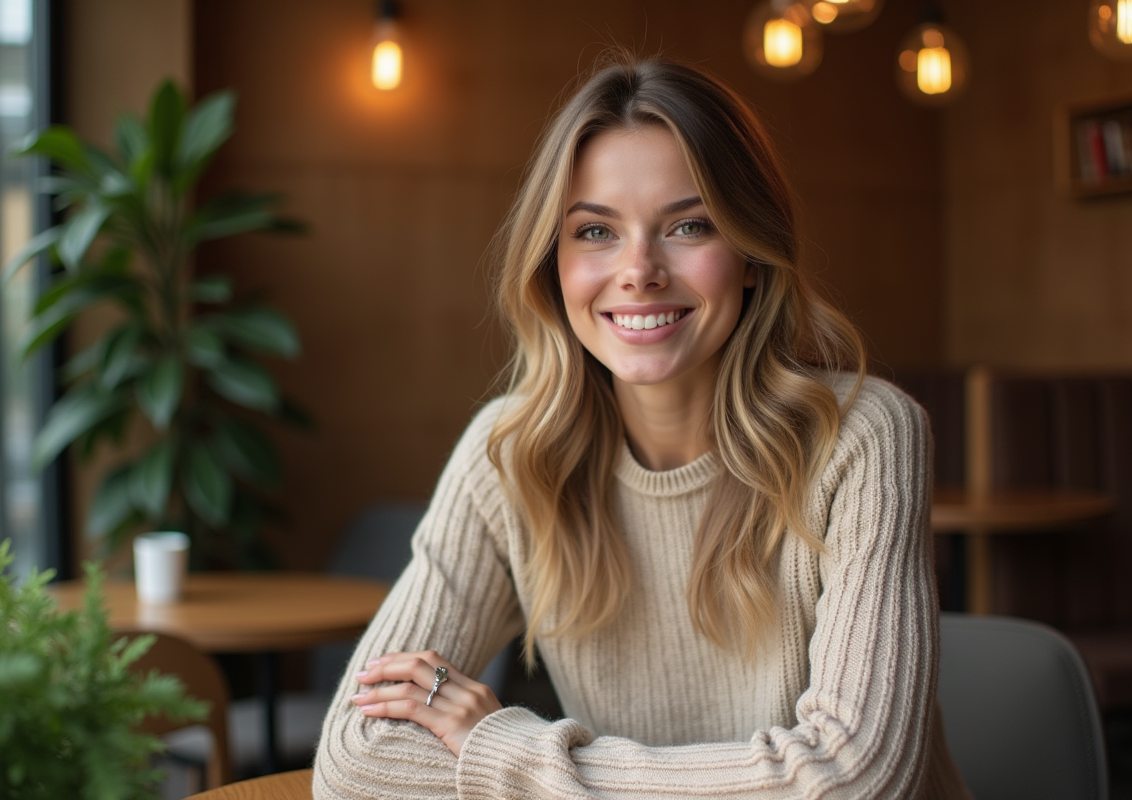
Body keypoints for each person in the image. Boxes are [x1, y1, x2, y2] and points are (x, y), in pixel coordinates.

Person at [314, 56, 970, 799]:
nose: (639, 271)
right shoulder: (510, 456)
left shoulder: (863, 437)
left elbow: (855, 781)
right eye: (595, 231)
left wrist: (509, 753)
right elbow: (355, 761)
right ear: (553, 267)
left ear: (753, 256)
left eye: (689, 225)